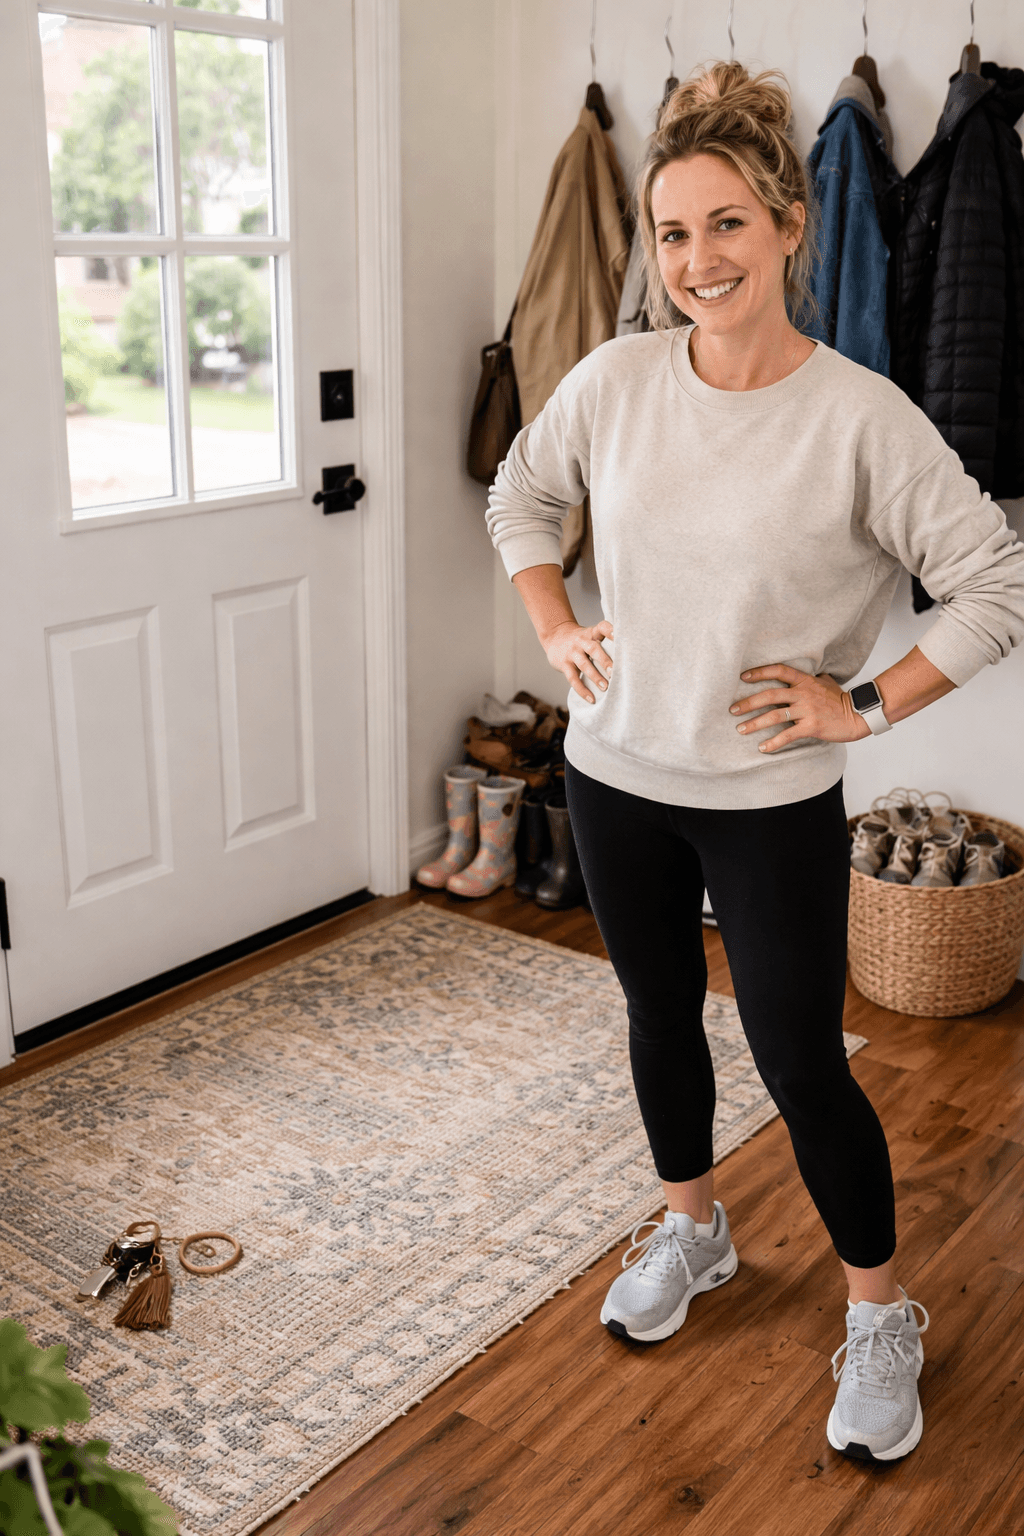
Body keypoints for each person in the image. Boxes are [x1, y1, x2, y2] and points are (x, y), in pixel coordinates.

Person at [486, 62, 1024, 1464]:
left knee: (799, 1063)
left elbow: (994, 583)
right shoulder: (613, 381)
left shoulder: (862, 417)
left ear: (789, 224)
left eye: (726, 225)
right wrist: (556, 623)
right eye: (672, 235)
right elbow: (522, 493)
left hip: (768, 807)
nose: (697, 260)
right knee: (660, 1021)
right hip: (613, 781)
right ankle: (693, 1231)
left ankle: (879, 1312)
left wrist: (864, 704)